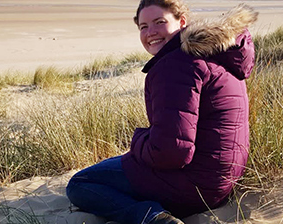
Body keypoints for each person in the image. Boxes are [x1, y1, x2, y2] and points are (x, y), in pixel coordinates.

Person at [66, 0, 258, 223]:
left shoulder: (176, 64)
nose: (151, 32)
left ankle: (153, 217)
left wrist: (138, 140)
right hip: (221, 182)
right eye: (143, 26)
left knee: (81, 183)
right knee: (112, 165)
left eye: (160, 22)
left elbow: (171, 152)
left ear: (181, 22)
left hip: (193, 188)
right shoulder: (214, 54)